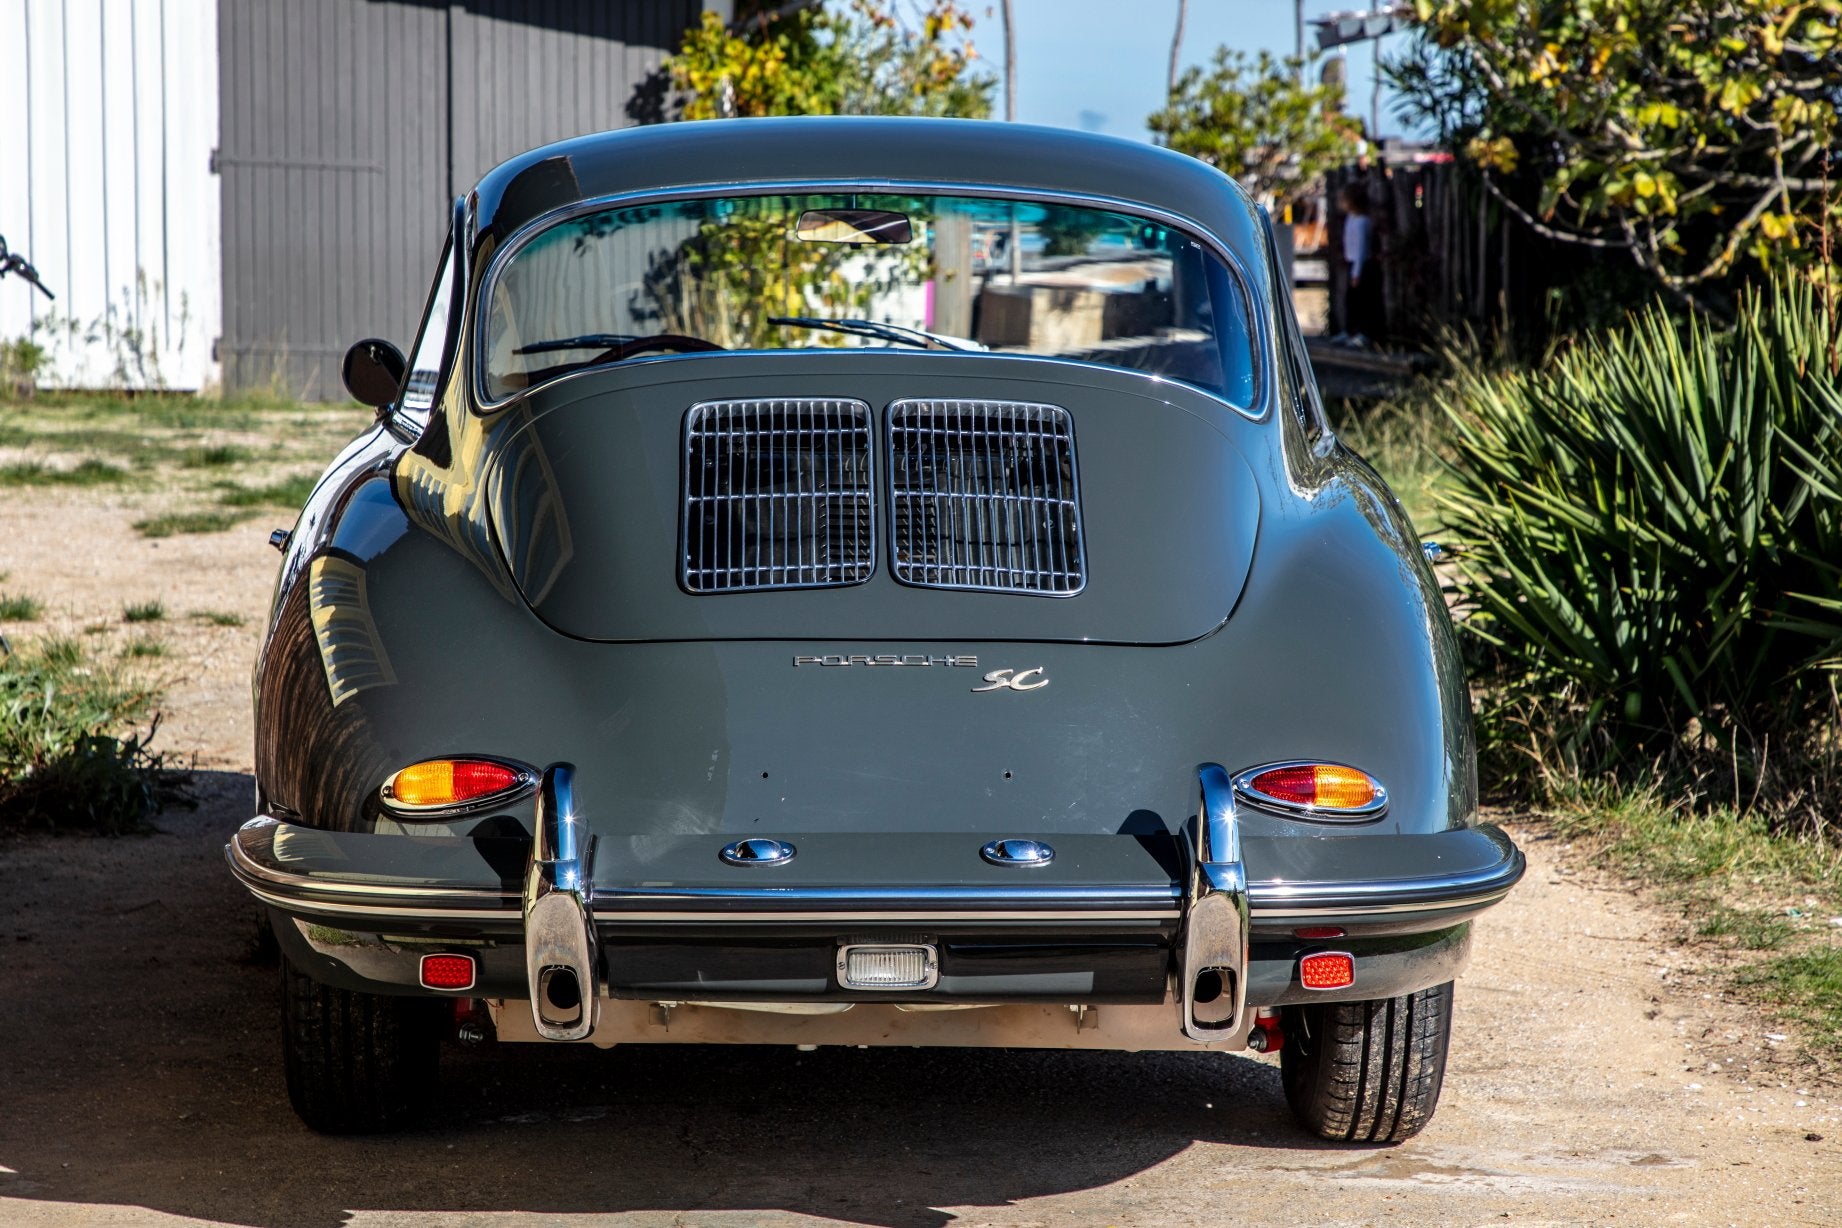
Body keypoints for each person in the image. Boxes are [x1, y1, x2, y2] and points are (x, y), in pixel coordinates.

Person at [1338, 183, 1381, 348]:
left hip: (1361, 264)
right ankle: (1349, 331)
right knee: (1350, 300)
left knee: (1362, 300)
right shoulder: (1351, 219)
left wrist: (1357, 272)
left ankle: (1364, 333)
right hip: (1351, 261)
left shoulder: (1363, 221)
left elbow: (1362, 248)